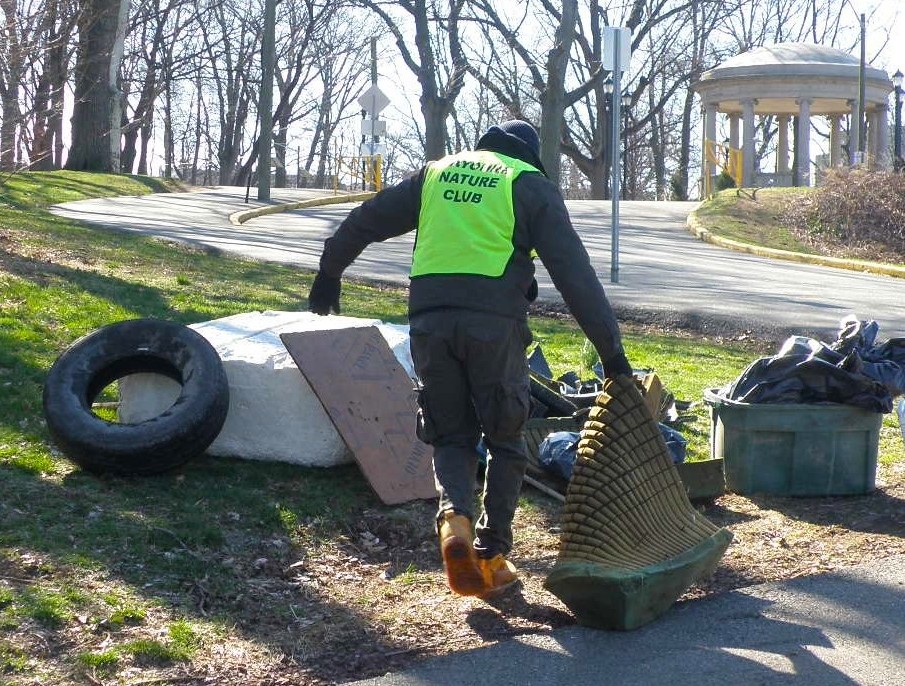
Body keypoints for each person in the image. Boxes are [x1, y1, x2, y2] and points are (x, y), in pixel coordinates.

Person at [308, 119, 632, 598]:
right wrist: (613, 356)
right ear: (527, 154)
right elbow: (575, 276)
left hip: (430, 324)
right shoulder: (528, 184)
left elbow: (367, 219)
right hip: (493, 328)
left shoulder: (435, 175)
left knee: (450, 433)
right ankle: (492, 555)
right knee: (505, 438)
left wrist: (329, 271)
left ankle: (454, 519)